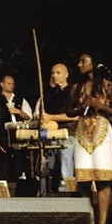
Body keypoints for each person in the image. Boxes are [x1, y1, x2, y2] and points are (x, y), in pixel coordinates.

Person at [66, 53, 112, 224]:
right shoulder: (76, 87)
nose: (79, 64)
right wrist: (82, 108)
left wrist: (99, 105)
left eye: (84, 61)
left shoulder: (108, 86)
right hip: (82, 130)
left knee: (103, 178)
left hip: (103, 131)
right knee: (84, 179)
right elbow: (68, 110)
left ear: (95, 63)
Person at [36, 63, 79, 192]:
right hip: (50, 134)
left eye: (58, 73)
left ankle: (67, 194)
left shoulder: (73, 92)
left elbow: (75, 117)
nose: (54, 75)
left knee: (65, 167)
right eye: (52, 73)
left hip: (67, 134)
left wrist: (51, 117)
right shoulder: (50, 95)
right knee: (51, 167)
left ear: (66, 75)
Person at [0, 75, 32, 197]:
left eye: (12, 84)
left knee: (18, 164)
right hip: (3, 135)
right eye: (8, 83)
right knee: (3, 164)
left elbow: (29, 117)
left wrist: (19, 112)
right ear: (2, 84)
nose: (11, 86)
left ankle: (18, 192)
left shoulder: (20, 100)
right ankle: (3, 193)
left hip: (19, 136)